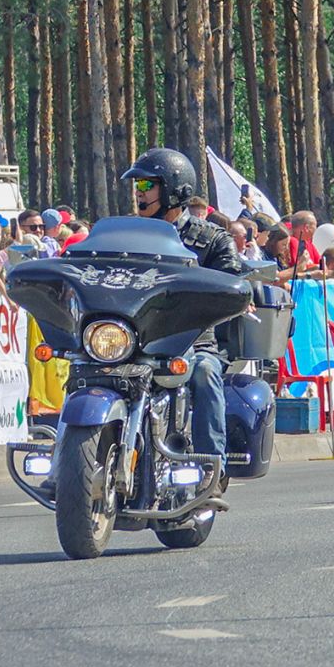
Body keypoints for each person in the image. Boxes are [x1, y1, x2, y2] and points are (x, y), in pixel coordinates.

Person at [121, 147, 238, 461]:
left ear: (174, 189)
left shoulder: (212, 239)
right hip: (134, 341)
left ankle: (211, 465)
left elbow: (233, 284)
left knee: (206, 373)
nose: (139, 193)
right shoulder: (126, 237)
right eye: (137, 186)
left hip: (192, 341)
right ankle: (66, 462)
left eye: (146, 185)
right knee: (83, 370)